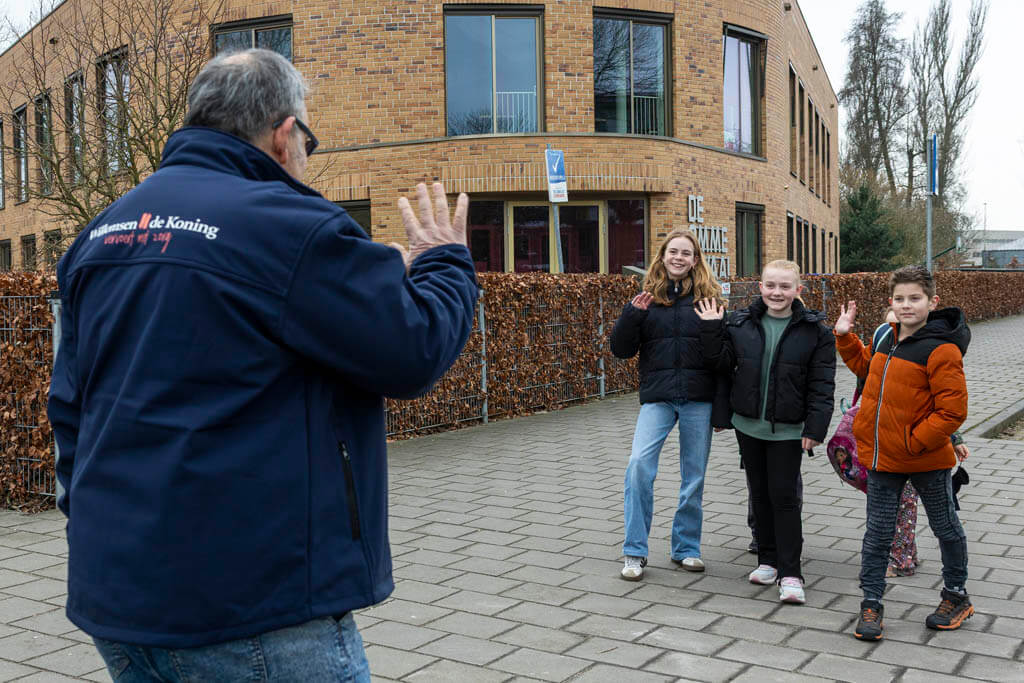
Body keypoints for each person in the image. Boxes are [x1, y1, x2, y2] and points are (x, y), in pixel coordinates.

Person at [46, 49, 478, 680]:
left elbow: (70, 409)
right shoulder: (289, 228)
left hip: (116, 596)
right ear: (282, 135)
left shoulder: (102, 234)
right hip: (251, 610)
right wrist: (443, 262)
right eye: (308, 140)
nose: (306, 157)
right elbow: (413, 349)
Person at [834, 265, 972, 641]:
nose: (906, 305)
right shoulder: (887, 338)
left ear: (933, 302)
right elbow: (867, 371)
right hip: (882, 459)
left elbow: (952, 411)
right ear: (890, 302)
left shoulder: (941, 349)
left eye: (915, 298)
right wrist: (846, 339)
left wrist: (913, 442)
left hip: (926, 459)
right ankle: (872, 603)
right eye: (899, 299)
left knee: (945, 527)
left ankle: (956, 595)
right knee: (877, 534)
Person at [696, 260, 836, 605]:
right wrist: (713, 329)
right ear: (760, 287)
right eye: (770, 285)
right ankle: (768, 561)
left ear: (798, 291)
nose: (777, 292)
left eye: (785, 287)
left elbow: (822, 385)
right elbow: (721, 366)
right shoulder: (741, 322)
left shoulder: (816, 331)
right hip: (749, 426)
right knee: (759, 495)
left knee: (784, 498)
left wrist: (816, 427)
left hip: (789, 430)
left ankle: (791, 573)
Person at [610, 228, 729, 581]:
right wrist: (630, 316)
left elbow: (723, 360)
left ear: (695, 261)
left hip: (699, 399)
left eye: (686, 253)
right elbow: (621, 350)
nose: (678, 258)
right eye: (672, 252)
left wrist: (722, 409)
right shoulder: (646, 300)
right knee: (638, 466)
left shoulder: (710, 301)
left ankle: (686, 548)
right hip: (658, 398)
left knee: (694, 477)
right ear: (662, 257)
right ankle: (634, 552)